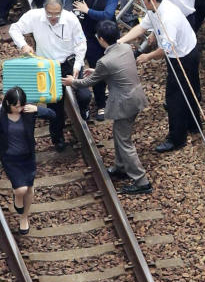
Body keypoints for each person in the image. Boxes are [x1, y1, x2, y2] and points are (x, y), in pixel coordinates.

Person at [63, 20, 151, 194]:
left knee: (125, 142)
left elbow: (87, 82)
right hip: (135, 97)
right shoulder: (125, 48)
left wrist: (73, 82)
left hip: (124, 103)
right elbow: (117, 69)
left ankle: (142, 181)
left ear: (101, 39)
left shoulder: (105, 61)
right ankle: (121, 167)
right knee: (120, 135)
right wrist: (96, 70)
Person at [119, 0, 202, 153]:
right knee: (190, 89)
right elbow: (141, 27)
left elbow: (166, 49)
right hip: (186, 50)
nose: (142, 3)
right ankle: (194, 125)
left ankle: (177, 139)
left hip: (183, 57)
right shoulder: (154, 10)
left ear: (153, 0)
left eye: (144, 0)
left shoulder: (168, 18)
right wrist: (122, 40)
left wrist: (147, 57)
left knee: (174, 98)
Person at [0, 87, 54, 233]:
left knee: (29, 189)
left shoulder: (28, 112)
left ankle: (24, 217)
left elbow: (52, 114)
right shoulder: (0, 112)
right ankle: (17, 196)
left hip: (28, 156)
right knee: (21, 189)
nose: (19, 108)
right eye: (16, 106)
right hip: (9, 158)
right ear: (8, 102)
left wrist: (37, 109)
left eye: (21, 105)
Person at [9, 0, 89, 150]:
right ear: (44, 10)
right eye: (50, 14)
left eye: (56, 14)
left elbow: (81, 43)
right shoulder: (35, 16)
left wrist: (78, 65)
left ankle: (83, 110)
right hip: (48, 67)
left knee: (85, 95)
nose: (53, 18)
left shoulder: (71, 20)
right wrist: (23, 45)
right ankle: (57, 138)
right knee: (55, 106)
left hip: (69, 62)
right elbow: (15, 28)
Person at [67, 0, 119, 119]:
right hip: (89, 34)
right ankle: (101, 103)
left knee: (110, 65)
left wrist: (87, 10)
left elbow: (107, 15)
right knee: (96, 66)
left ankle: (111, 91)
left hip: (106, 34)